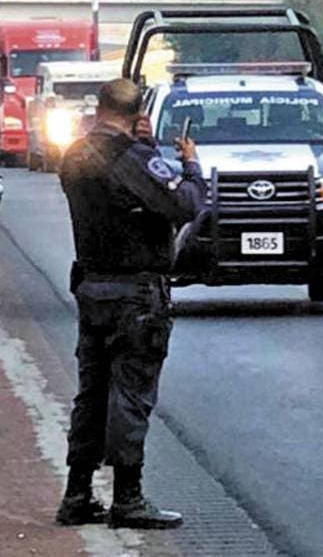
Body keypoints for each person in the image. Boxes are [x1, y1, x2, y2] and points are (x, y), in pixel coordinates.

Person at [56, 78, 206, 529]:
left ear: (100, 107)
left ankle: (77, 493)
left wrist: (144, 149)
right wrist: (191, 164)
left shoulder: (74, 155)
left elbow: (122, 191)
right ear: (138, 113)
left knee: (92, 394)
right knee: (131, 395)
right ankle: (128, 497)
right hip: (137, 294)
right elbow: (186, 203)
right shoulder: (134, 159)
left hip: (92, 288)